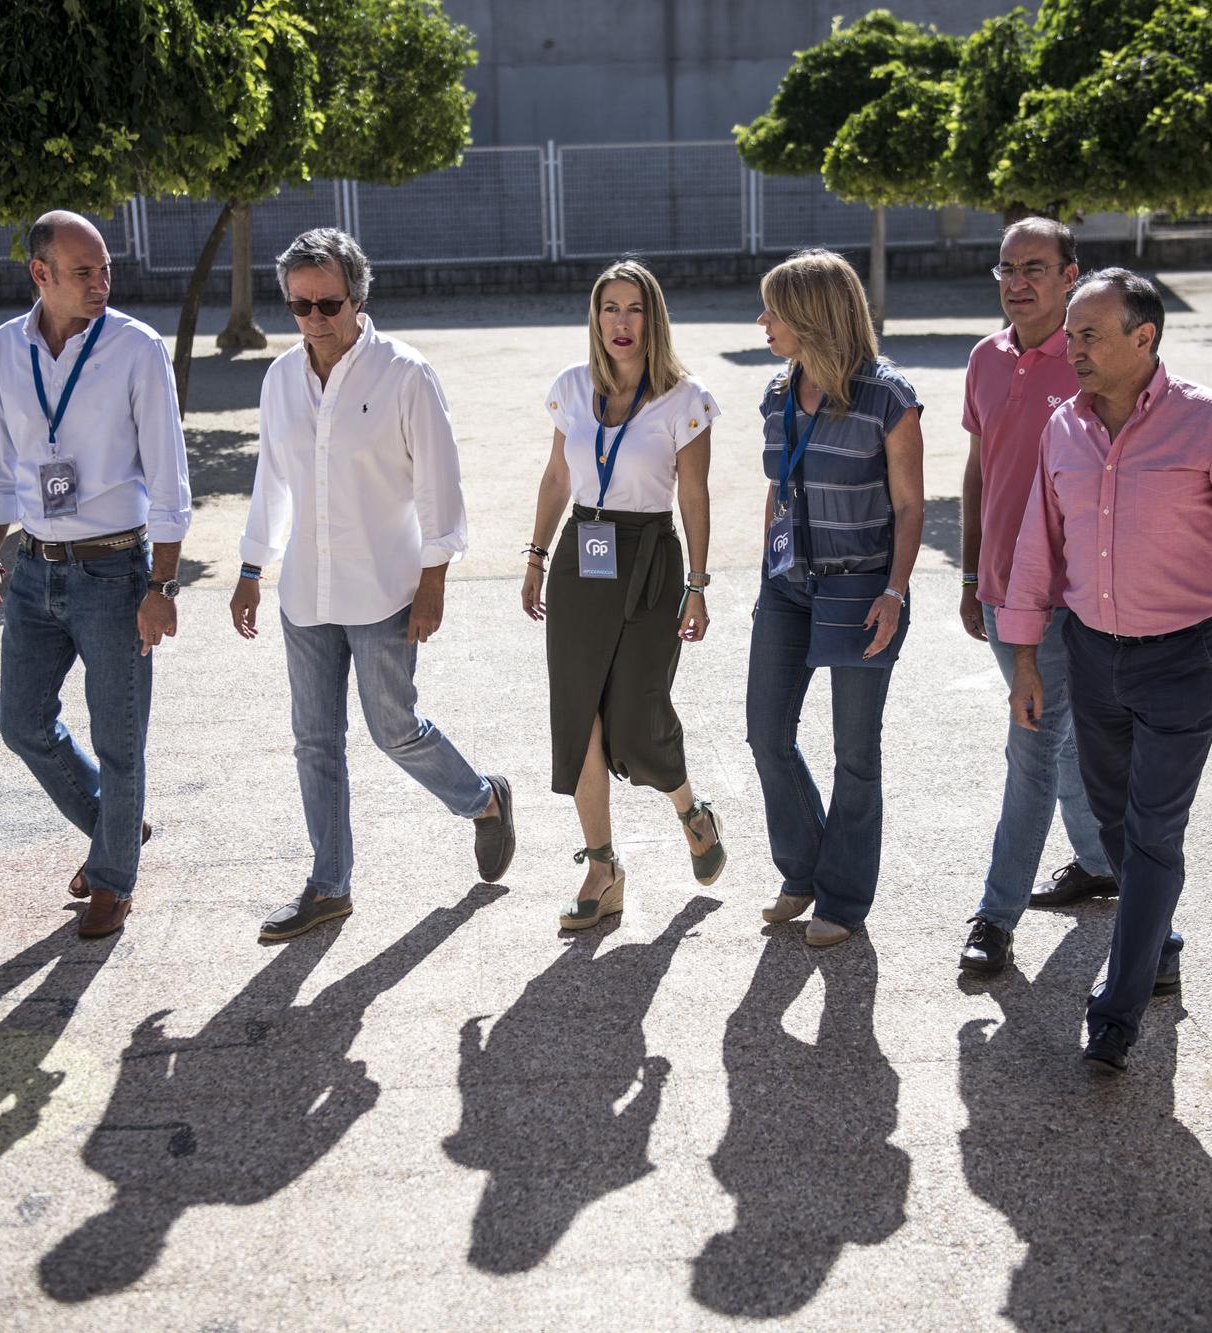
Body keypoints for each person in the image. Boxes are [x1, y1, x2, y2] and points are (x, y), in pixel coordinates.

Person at [1000, 268, 1212, 1072]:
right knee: (1114, 826)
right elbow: (1039, 547)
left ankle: (1117, 1012)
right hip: (1091, 652)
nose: (1069, 346)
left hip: (1183, 654)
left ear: (1144, 337)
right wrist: (1023, 659)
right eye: (1070, 332)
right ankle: (1162, 941)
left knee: (1152, 833)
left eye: (1088, 334)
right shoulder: (1062, 428)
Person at [232, 228, 515, 942]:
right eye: (300, 305)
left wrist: (434, 580)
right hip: (306, 593)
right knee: (314, 740)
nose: (315, 318)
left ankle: (483, 800)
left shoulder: (405, 373)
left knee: (393, 728)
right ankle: (330, 885)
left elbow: (438, 486)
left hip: (386, 588)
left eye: (328, 302)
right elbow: (272, 481)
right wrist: (249, 567)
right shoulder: (279, 381)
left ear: (358, 295)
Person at [0, 211, 191, 940]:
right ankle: (116, 830)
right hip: (34, 567)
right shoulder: (8, 347)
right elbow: (0, 464)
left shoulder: (136, 348)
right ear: (41, 275)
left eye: (105, 270)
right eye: (83, 272)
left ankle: (113, 879)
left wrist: (162, 586)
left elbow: (168, 474)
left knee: (120, 739)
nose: (101, 284)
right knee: (21, 720)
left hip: (115, 571)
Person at [520, 260, 726, 930]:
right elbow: (558, 475)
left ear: (653, 318)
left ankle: (691, 811)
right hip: (583, 557)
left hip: (650, 561)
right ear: (595, 316)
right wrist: (535, 555)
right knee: (578, 713)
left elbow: (692, 495)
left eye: (634, 309)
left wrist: (697, 583)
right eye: (609, 308)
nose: (621, 322)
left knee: (636, 714)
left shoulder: (684, 398)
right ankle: (602, 869)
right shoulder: (571, 389)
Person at [745, 249, 923, 949]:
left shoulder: (887, 397)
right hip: (787, 583)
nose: (763, 321)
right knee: (766, 733)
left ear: (814, 316)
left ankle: (843, 899)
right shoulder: (776, 393)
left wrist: (895, 592)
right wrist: (766, 570)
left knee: (856, 751)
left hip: (861, 585)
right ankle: (803, 869)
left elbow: (910, 508)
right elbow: (777, 487)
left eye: (775, 310)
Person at [956, 217, 1118, 979]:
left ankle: (995, 915)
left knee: (1031, 752)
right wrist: (967, 575)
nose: (1017, 281)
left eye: (1034, 268)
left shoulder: (1090, 362)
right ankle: (1097, 863)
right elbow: (978, 468)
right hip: (996, 592)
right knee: (1062, 744)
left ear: (1068, 275)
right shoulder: (985, 358)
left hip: (1061, 601)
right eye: (1006, 269)